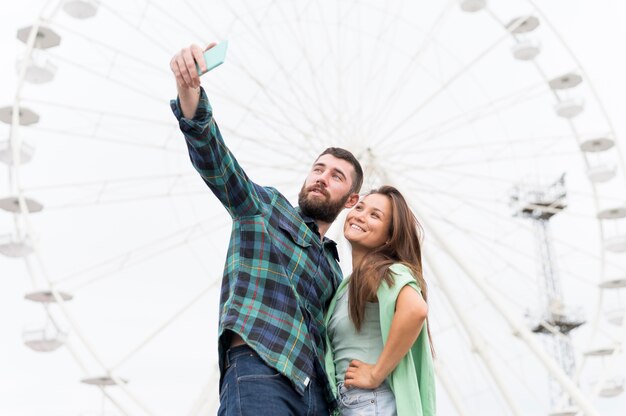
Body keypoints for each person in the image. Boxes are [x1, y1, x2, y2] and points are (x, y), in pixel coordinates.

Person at [169, 43, 364, 415]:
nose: (322, 178)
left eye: (336, 176)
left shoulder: (336, 268)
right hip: (263, 369)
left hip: (318, 395)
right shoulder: (264, 208)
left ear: (351, 200)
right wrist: (189, 93)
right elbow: (217, 162)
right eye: (318, 169)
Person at [324, 186, 436, 415]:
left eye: (375, 215)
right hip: (352, 403)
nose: (360, 216)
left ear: (389, 236)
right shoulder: (347, 285)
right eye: (359, 207)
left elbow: (415, 309)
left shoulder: (384, 271)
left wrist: (376, 373)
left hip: (368, 402)